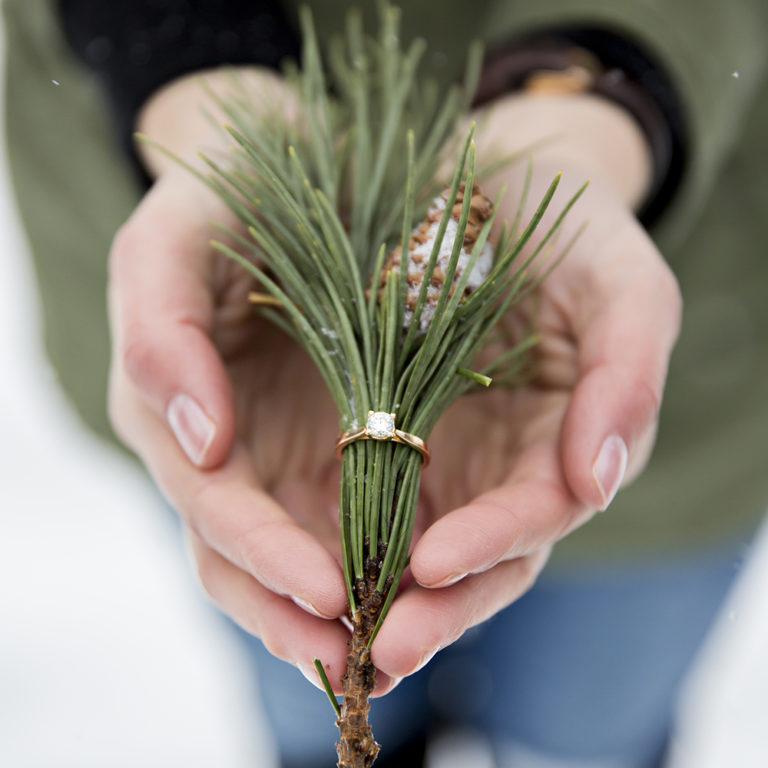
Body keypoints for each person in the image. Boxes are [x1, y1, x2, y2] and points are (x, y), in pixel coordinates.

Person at [4, 1, 767, 766]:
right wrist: (194, 65)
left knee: (589, 721)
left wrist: (589, 109)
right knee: (305, 646)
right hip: (245, 369)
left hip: (685, 403)